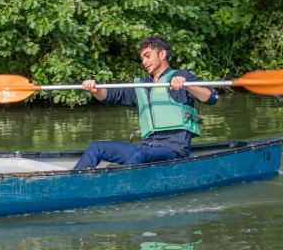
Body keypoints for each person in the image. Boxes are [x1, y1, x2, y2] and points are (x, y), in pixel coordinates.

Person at [73, 35, 218, 170]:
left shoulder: (182, 76)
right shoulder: (142, 86)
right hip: (146, 147)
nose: (144, 62)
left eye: (148, 56)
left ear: (162, 55)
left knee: (138, 156)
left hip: (173, 149)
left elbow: (211, 97)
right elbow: (109, 95)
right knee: (96, 147)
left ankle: (121, 188)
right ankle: (73, 185)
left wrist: (187, 85)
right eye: (142, 58)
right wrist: (94, 88)